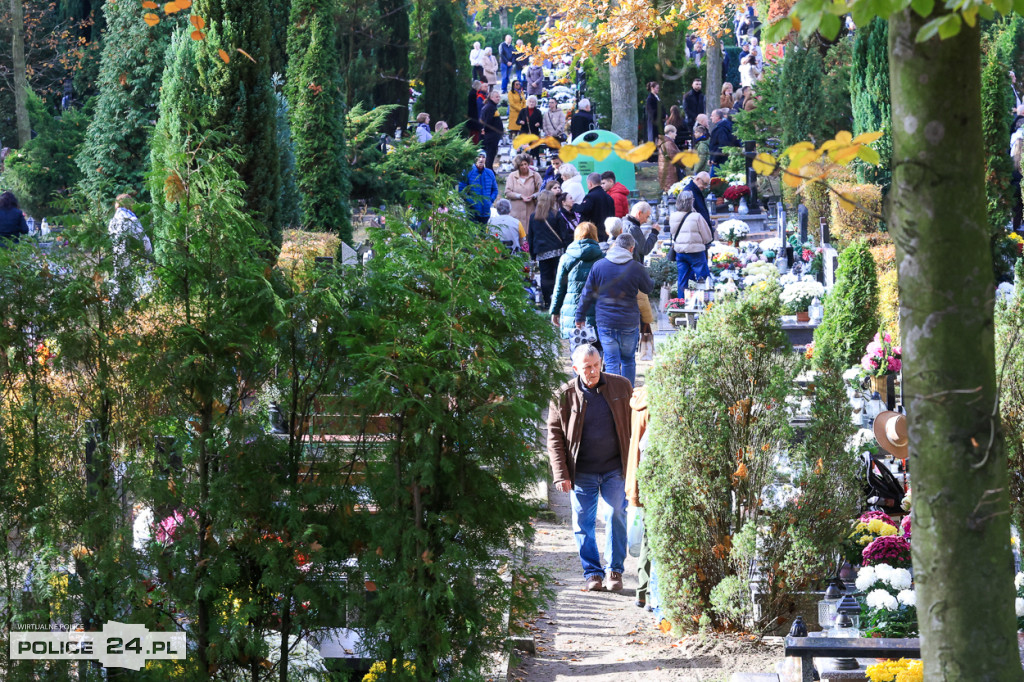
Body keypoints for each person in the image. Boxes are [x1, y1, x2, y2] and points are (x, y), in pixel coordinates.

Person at [547, 343, 634, 592]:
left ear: (602, 362)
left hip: (615, 467)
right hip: (581, 471)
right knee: (583, 522)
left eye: (596, 365)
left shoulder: (621, 386)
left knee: (615, 513)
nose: (593, 371)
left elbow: (636, 422)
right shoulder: (563, 395)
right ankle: (593, 573)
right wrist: (560, 474)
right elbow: (554, 437)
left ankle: (614, 570)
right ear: (575, 368)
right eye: (587, 367)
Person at [575, 233, 654, 386]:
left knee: (611, 361)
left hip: (606, 321)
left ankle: (613, 397)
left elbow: (587, 293)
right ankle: (627, 394)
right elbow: (648, 287)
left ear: (615, 245)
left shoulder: (599, 265)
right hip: (628, 321)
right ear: (631, 249)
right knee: (628, 360)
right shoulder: (636, 267)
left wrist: (580, 316)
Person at [550, 221, 603, 340]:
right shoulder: (603, 258)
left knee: (577, 352)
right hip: (597, 311)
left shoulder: (566, 258)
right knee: (597, 352)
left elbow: (559, 287)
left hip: (573, 311)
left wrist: (555, 310)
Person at [624, 384, 651, 608]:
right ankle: (649, 594)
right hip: (654, 479)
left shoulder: (641, 399)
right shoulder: (658, 405)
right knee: (653, 538)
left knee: (648, 538)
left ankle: (642, 592)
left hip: (640, 477)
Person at [527, 190, 572, 308]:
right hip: (557, 250)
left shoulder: (533, 216)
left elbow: (530, 236)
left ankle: (547, 302)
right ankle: (559, 301)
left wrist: (532, 254)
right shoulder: (556, 214)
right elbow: (564, 234)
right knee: (559, 276)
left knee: (545, 277)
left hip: (542, 251)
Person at [669, 190, 713, 296]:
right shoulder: (696, 216)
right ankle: (705, 301)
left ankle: (681, 302)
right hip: (696, 252)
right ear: (691, 202)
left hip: (680, 252)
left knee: (682, 279)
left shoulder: (673, 216)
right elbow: (707, 237)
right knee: (703, 278)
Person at [458, 153, 498, 224]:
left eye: (483, 157)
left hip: (486, 212)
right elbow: (462, 191)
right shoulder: (468, 172)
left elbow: (495, 190)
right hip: (472, 212)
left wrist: (490, 201)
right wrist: (472, 202)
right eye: (479, 157)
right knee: (472, 234)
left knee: (483, 234)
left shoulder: (490, 173)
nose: (481, 159)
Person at [506, 152, 544, 227]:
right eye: (521, 165)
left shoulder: (535, 175)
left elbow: (541, 191)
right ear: (518, 166)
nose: (524, 167)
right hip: (515, 212)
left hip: (531, 210)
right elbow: (507, 192)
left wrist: (533, 196)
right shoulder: (512, 176)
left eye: (525, 164)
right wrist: (520, 196)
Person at [578, 172, 616, 241]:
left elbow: (584, 213)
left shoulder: (590, 197)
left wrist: (574, 207)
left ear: (590, 183)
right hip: (608, 234)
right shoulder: (609, 197)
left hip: (595, 235)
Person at [480, 89, 503, 171]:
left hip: (493, 135)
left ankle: (490, 169)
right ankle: (489, 170)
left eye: (499, 97)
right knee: (490, 154)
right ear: (491, 97)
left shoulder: (492, 106)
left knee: (492, 154)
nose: (498, 98)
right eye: (496, 97)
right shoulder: (490, 107)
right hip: (491, 136)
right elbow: (487, 122)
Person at [658, 124, 681, 192]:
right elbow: (675, 157)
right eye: (675, 133)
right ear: (670, 132)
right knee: (670, 191)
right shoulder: (668, 144)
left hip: (665, 170)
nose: (676, 135)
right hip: (669, 172)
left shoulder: (664, 142)